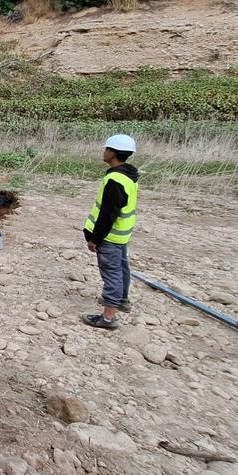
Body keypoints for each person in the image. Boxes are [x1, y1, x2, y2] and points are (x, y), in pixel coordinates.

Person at [81, 134, 140, 330]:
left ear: (113, 153)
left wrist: (95, 239)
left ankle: (108, 318)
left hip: (109, 237)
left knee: (112, 273)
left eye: (106, 149)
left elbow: (108, 214)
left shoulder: (115, 179)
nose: (104, 152)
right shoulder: (128, 176)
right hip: (121, 235)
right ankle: (122, 300)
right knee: (121, 268)